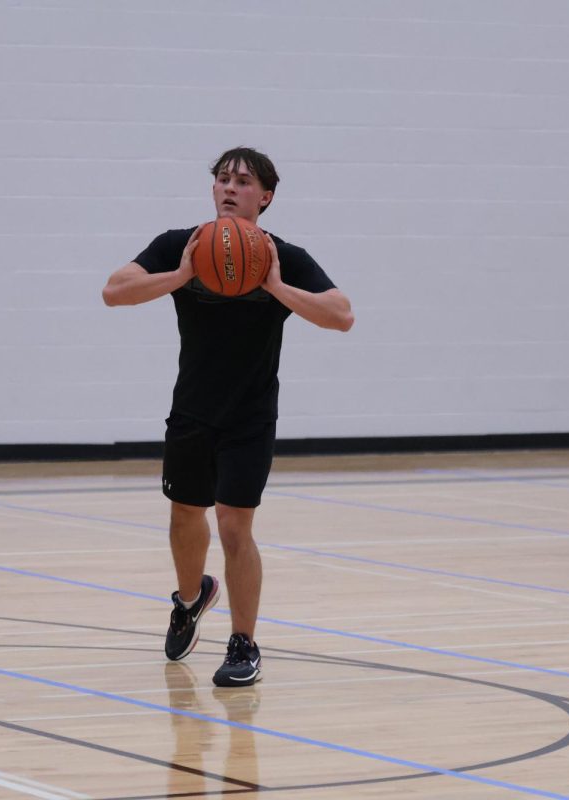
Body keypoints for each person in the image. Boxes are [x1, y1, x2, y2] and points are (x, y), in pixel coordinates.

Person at [102, 146, 354, 686]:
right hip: (192, 410)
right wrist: (182, 274)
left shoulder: (283, 256)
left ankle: (244, 644)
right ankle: (191, 600)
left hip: (250, 416)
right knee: (183, 518)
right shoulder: (181, 245)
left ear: (265, 197)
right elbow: (113, 292)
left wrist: (278, 288)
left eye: (242, 181)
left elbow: (342, 316)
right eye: (222, 179)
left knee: (235, 526)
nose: (229, 188)